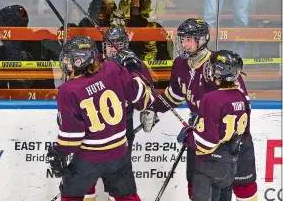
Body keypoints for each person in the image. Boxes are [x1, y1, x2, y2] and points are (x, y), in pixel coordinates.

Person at [143, 18, 257, 201]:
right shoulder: (180, 65)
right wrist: (153, 109)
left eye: (189, 39)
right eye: (182, 39)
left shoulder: (220, 65)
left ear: (202, 40)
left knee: (244, 186)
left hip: (231, 136)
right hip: (201, 131)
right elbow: (174, 95)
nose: (184, 44)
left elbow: (241, 105)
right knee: (196, 186)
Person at [48, 35, 153, 201]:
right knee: (127, 195)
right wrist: (134, 69)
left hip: (89, 158)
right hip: (119, 154)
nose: (65, 64)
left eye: (68, 59)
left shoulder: (68, 90)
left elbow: (73, 135)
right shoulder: (113, 69)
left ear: (79, 61)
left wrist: (60, 153)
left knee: (70, 195)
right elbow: (141, 95)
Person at [83, 26, 156, 201]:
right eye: (109, 44)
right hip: (94, 125)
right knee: (86, 180)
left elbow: (147, 99)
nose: (113, 48)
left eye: (118, 44)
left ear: (126, 44)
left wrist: (130, 72)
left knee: (118, 182)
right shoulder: (94, 63)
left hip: (122, 127)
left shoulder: (134, 64)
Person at [177, 50, 251, 201]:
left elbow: (206, 143)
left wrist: (187, 136)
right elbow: (244, 135)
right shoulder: (241, 97)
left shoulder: (211, 98)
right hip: (230, 167)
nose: (211, 70)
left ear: (221, 72)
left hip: (209, 166)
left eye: (214, 68)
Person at [0, 5, 55, 90]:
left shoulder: (42, 44)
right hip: (17, 102)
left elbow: (66, 63)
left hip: (45, 101)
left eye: (1, 26)